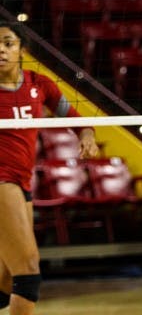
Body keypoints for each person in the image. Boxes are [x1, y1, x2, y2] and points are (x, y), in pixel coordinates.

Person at [0, 21, 99, 315]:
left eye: (8, 43)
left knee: (5, 278)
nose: (1, 50)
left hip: (22, 182)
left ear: (22, 50)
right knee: (27, 273)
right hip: (2, 182)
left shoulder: (39, 84)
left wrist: (87, 137)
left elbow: (79, 121)